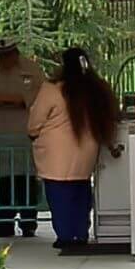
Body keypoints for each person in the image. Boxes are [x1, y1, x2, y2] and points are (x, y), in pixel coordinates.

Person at [26, 47, 119, 249]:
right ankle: (80, 232)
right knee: (81, 193)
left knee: (59, 196)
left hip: (55, 153)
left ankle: (66, 235)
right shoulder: (94, 89)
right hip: (86, 150)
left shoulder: (52, 89)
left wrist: (33, 133)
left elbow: (35, 120)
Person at [0, 38, 46, 238]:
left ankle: (28, 223)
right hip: (0, 133)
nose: (4, 60)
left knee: (26, 180)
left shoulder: (32, 70)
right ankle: (4, 223)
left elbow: (42, 96)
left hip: (25, 133)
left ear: (15, 53)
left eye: (7, 55)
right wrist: (0, 100)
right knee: (4, 181)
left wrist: (18, 100)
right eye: (0, 56)